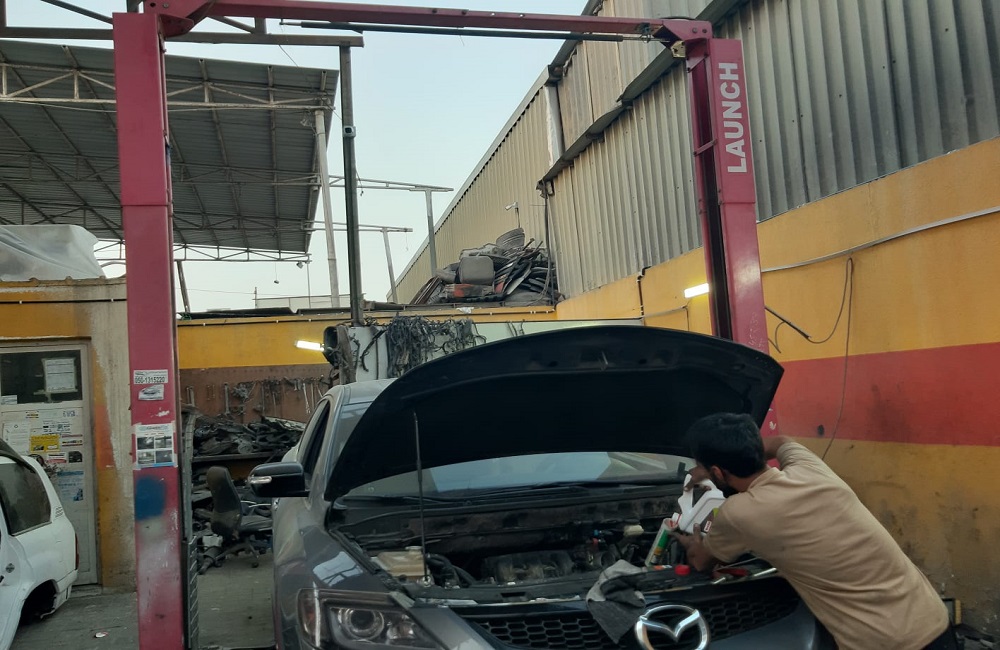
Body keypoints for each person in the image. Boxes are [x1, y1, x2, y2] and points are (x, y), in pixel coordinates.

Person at [672, 413, 955, 650]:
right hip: (933, 620)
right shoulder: (810, 468)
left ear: (718, 473)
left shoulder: (739, 512)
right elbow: (781, 442)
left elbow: (701, 561)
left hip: (883, 643)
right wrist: (729, 457)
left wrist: (689, 541)